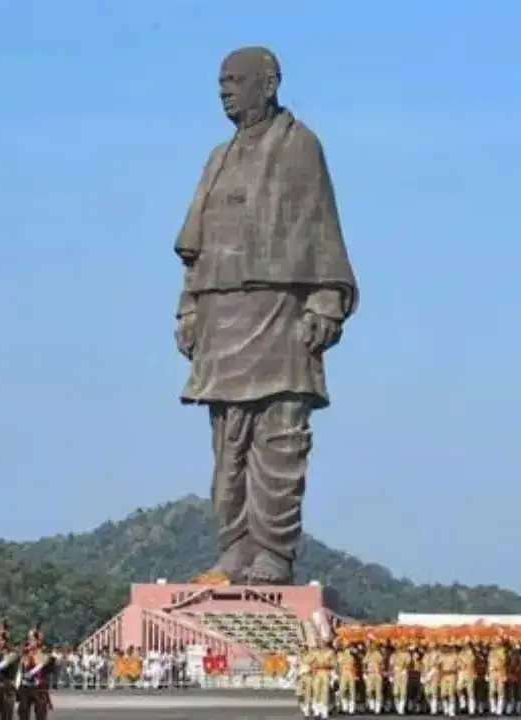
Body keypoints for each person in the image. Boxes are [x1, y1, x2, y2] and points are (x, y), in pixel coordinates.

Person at [175, 46, 358, 585]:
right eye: (220, 81)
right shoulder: (218, 156)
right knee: (227, 441)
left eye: (235, 80)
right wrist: (188, 309)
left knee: (279, 434)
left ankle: (273, 550)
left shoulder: (299, 147)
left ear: (269, 84)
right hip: (220, 311)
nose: (224, 89)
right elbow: (194, 251)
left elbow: (321, 227)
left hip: (279, 312)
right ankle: (234, 545)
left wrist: (325, 300)